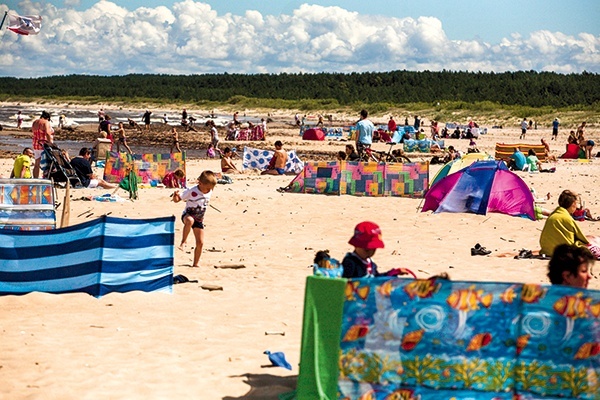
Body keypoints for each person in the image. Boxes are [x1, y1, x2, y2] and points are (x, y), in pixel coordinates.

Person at [172, 170, 218, 267]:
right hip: (187, 215)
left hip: (199, 219)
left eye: (210, 188)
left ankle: (195, 263)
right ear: (200, 183)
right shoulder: (191, 191)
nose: (209, 190)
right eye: (207, 188)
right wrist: (175, 195)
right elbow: (177, 200)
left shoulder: (209, 190)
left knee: (200, 242)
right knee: (190, 221)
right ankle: (183, 241)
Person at [341, 221, 408, 278]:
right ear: (356, 245)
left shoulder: (371, 264)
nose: (370, 253)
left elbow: (376, 279)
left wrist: (393, 273)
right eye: (366, 250)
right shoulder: (350, 263)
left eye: (373, 249)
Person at [539, 190, 591, 257]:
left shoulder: (552, 215)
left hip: (546, 250)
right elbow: (581, 237)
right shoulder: (567, 218)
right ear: (573, 204)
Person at [31, 110, 54, 178]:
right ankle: (46, 177)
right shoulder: (45, 122)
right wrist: (50, 144)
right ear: (47, 118)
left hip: (36, 144)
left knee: (37, 163)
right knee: (47, 163)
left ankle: (35, 178)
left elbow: (33, 132)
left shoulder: (35, 122)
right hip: (44, 145)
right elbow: (47, 133)